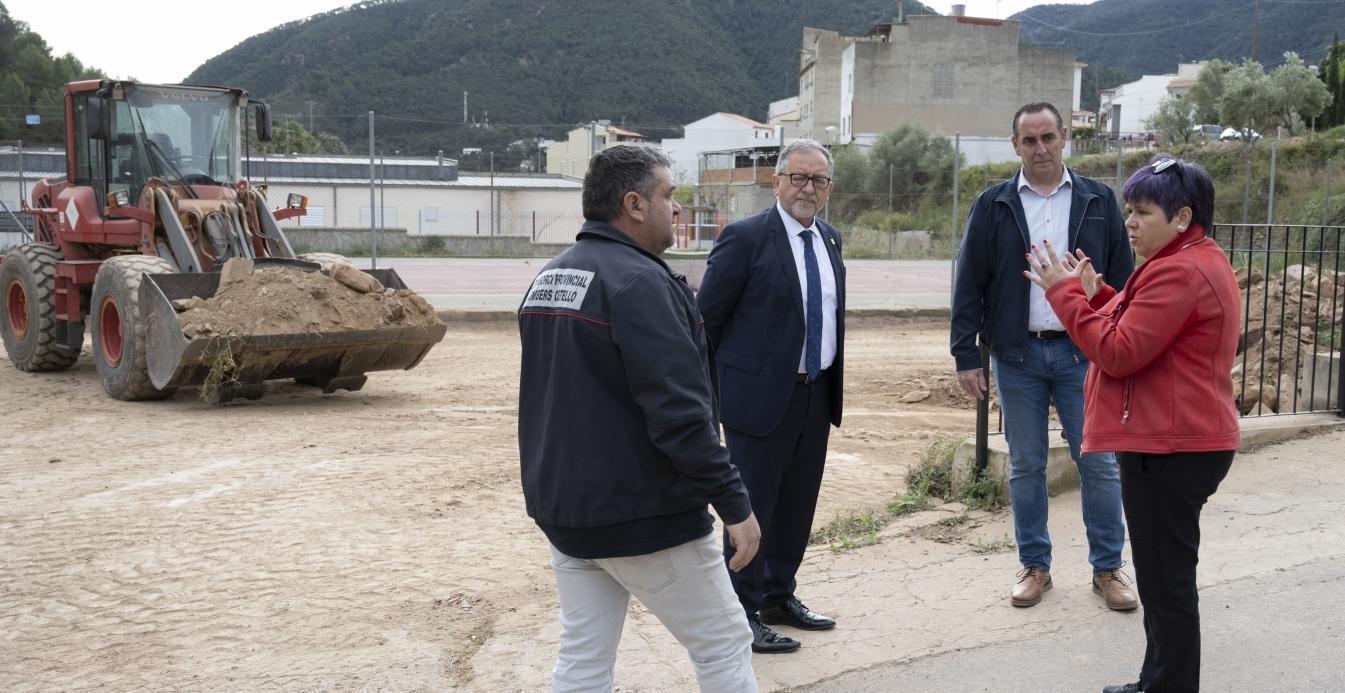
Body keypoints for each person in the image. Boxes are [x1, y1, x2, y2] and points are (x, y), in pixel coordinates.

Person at [517, 145, 762, 692]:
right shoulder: (640, 284)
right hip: (645, 515)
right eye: (668, 196)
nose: (676, 209)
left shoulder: (550, 278)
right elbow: (679, 414)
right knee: (723, 642)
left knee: (583, 661)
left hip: (569, 512)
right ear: (633, 204)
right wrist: (734, 503)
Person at [1025, 155, 1241, 693]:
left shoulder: (1179, 270)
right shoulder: (1190, 258)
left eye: (1143, 211)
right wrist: (1099, 294)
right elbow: (1143, 321)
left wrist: (1065, 294)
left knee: (1167, 585)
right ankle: (1157, 682)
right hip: (1177, 440)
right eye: (1129, 211)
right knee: (1166, 579)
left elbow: (1119, 352)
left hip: (1169, 447)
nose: (1130, 223)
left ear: (1183, 216)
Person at [950, 101, 1138, 611]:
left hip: (1086, 354)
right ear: (1015, 146)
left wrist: (1119, 336)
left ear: (1064, 139)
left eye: (1048, 138)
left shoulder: (1099, 199)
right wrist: (966, 353)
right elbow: (969, 280)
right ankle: (1035, 566)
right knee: (1025, 465)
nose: (1040, 148)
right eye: (1029, 140)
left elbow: (1124, 279)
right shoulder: (993, 205)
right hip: (1017, 355)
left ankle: (1108, 570)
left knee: (1099, 463)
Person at [696, 138, 845, 654]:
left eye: (819, 180)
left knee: (797, 505)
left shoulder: (830, 239)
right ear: (777, 181)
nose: (808, 188)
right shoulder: (745, 238)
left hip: (815, 396)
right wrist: (712, 399)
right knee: (751, 510)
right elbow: (705, 323)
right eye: (799, 178)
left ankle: (779, 595)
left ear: (828, 188)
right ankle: (739, 613)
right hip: (756, 401)